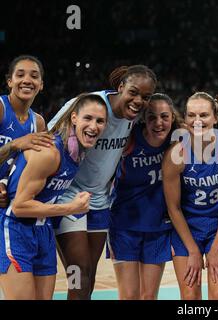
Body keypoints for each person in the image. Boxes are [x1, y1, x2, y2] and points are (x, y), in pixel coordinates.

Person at [47, 65, 157, 299]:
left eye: (145, 97)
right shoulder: (89, 105)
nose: (139, 101)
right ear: (120, 87)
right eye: (134, 92)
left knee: (90, 276)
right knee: (79, 272)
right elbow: (47, 138)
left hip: (99, 199)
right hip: (69, 194)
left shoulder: (135, 116)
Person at [0, 93, 108, 299]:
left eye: (100, 121)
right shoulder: (50, 152)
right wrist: (70, 208)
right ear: (74, 118)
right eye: (88, 118)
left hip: (43, 231)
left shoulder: (77, 152)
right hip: (15, 229)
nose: (94, 126)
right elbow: (20, 206)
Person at [162, 92, 218, 300]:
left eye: (204, 115)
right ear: (185, 118)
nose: (197, 121)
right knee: (190, 296)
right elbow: (174, 208)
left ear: (216, 117)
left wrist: (216, 248)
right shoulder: (176, 154)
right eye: (191, 115)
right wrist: (192, 251)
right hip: (187, 229)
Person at [107, 93, 181, 300]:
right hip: (124, 225)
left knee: (149, 296)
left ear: (172, 118)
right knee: (129, 296)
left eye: (164, 117)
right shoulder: (129, 139)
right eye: (151, 117)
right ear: (143, 120)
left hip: (158, 227)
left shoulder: (178, 141)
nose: (158, 123)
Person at [0, 55, 54, 206]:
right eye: (20, 75)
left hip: (11, 201)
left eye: (34, 76)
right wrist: (14, 144)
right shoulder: (1, 108)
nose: (27, 80)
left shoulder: (38, 122)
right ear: (9, 81)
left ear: (41, 84)